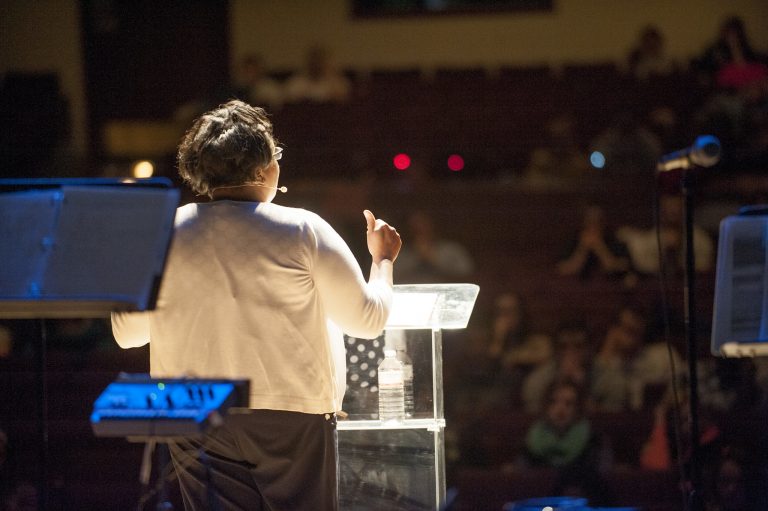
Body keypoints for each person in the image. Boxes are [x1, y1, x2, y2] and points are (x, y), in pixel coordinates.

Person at [111, 100, 402, 511]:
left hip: (193, 410)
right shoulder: (302, 229)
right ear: (263, 168)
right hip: (291, 413)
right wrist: (383, 260)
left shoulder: (162, 234)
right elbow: (367, 320)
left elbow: (126, 333)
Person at [556, 204, 630, 279]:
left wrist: (600, 248)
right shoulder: (573, 240)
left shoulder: (612, 239)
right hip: (577, 287)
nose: (593, 226)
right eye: (589, 221)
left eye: (596, 221)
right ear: (584, 223)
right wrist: (583, 248)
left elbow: (620, 267)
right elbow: (563, 269)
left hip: (608, 286)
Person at [284, 45, 351, 103]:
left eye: (320, 61)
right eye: (314, 61)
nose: (317, 65)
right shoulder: (296, 83)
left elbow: (344, 100)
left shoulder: (338, 83)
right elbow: (290, 99)